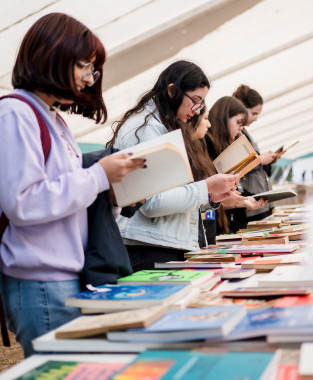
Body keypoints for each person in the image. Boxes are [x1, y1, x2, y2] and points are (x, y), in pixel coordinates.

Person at [0, 13, 146, 357]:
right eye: (84, 65)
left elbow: (70, 193)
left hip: (65, 276)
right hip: (40, 280)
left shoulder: (53, 117)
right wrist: (98, 176)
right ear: (51, 55)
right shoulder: (15, 114)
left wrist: (113, 189)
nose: (89, 77)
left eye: (93, 69)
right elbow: (23, 203)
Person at [106, 60, 239, 271]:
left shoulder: (162, 125)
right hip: (146, 248)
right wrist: (206, 188)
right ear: (172, 90)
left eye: (201, 104)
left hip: (159, 244)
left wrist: (210, 196)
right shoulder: (146, 129)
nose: (197, 110)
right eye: (195, 101)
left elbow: (172, 194)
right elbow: (152, 203)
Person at [205, 96, 267, 235]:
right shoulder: (207, 145)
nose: (240, 130)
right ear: (223, 118)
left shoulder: (225, 145)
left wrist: (248, 199)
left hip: (232, 224)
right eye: (238, 123)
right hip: (219, 227)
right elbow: (212, 193)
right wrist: (243, 201)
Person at [231, 84, 280, 230]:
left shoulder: (243, 133)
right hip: (250, 206)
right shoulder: (235, 135)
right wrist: (260, 160)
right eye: (254, 113)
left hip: (258, 204)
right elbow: (235, 167)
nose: (255, 119)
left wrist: (265, 160)